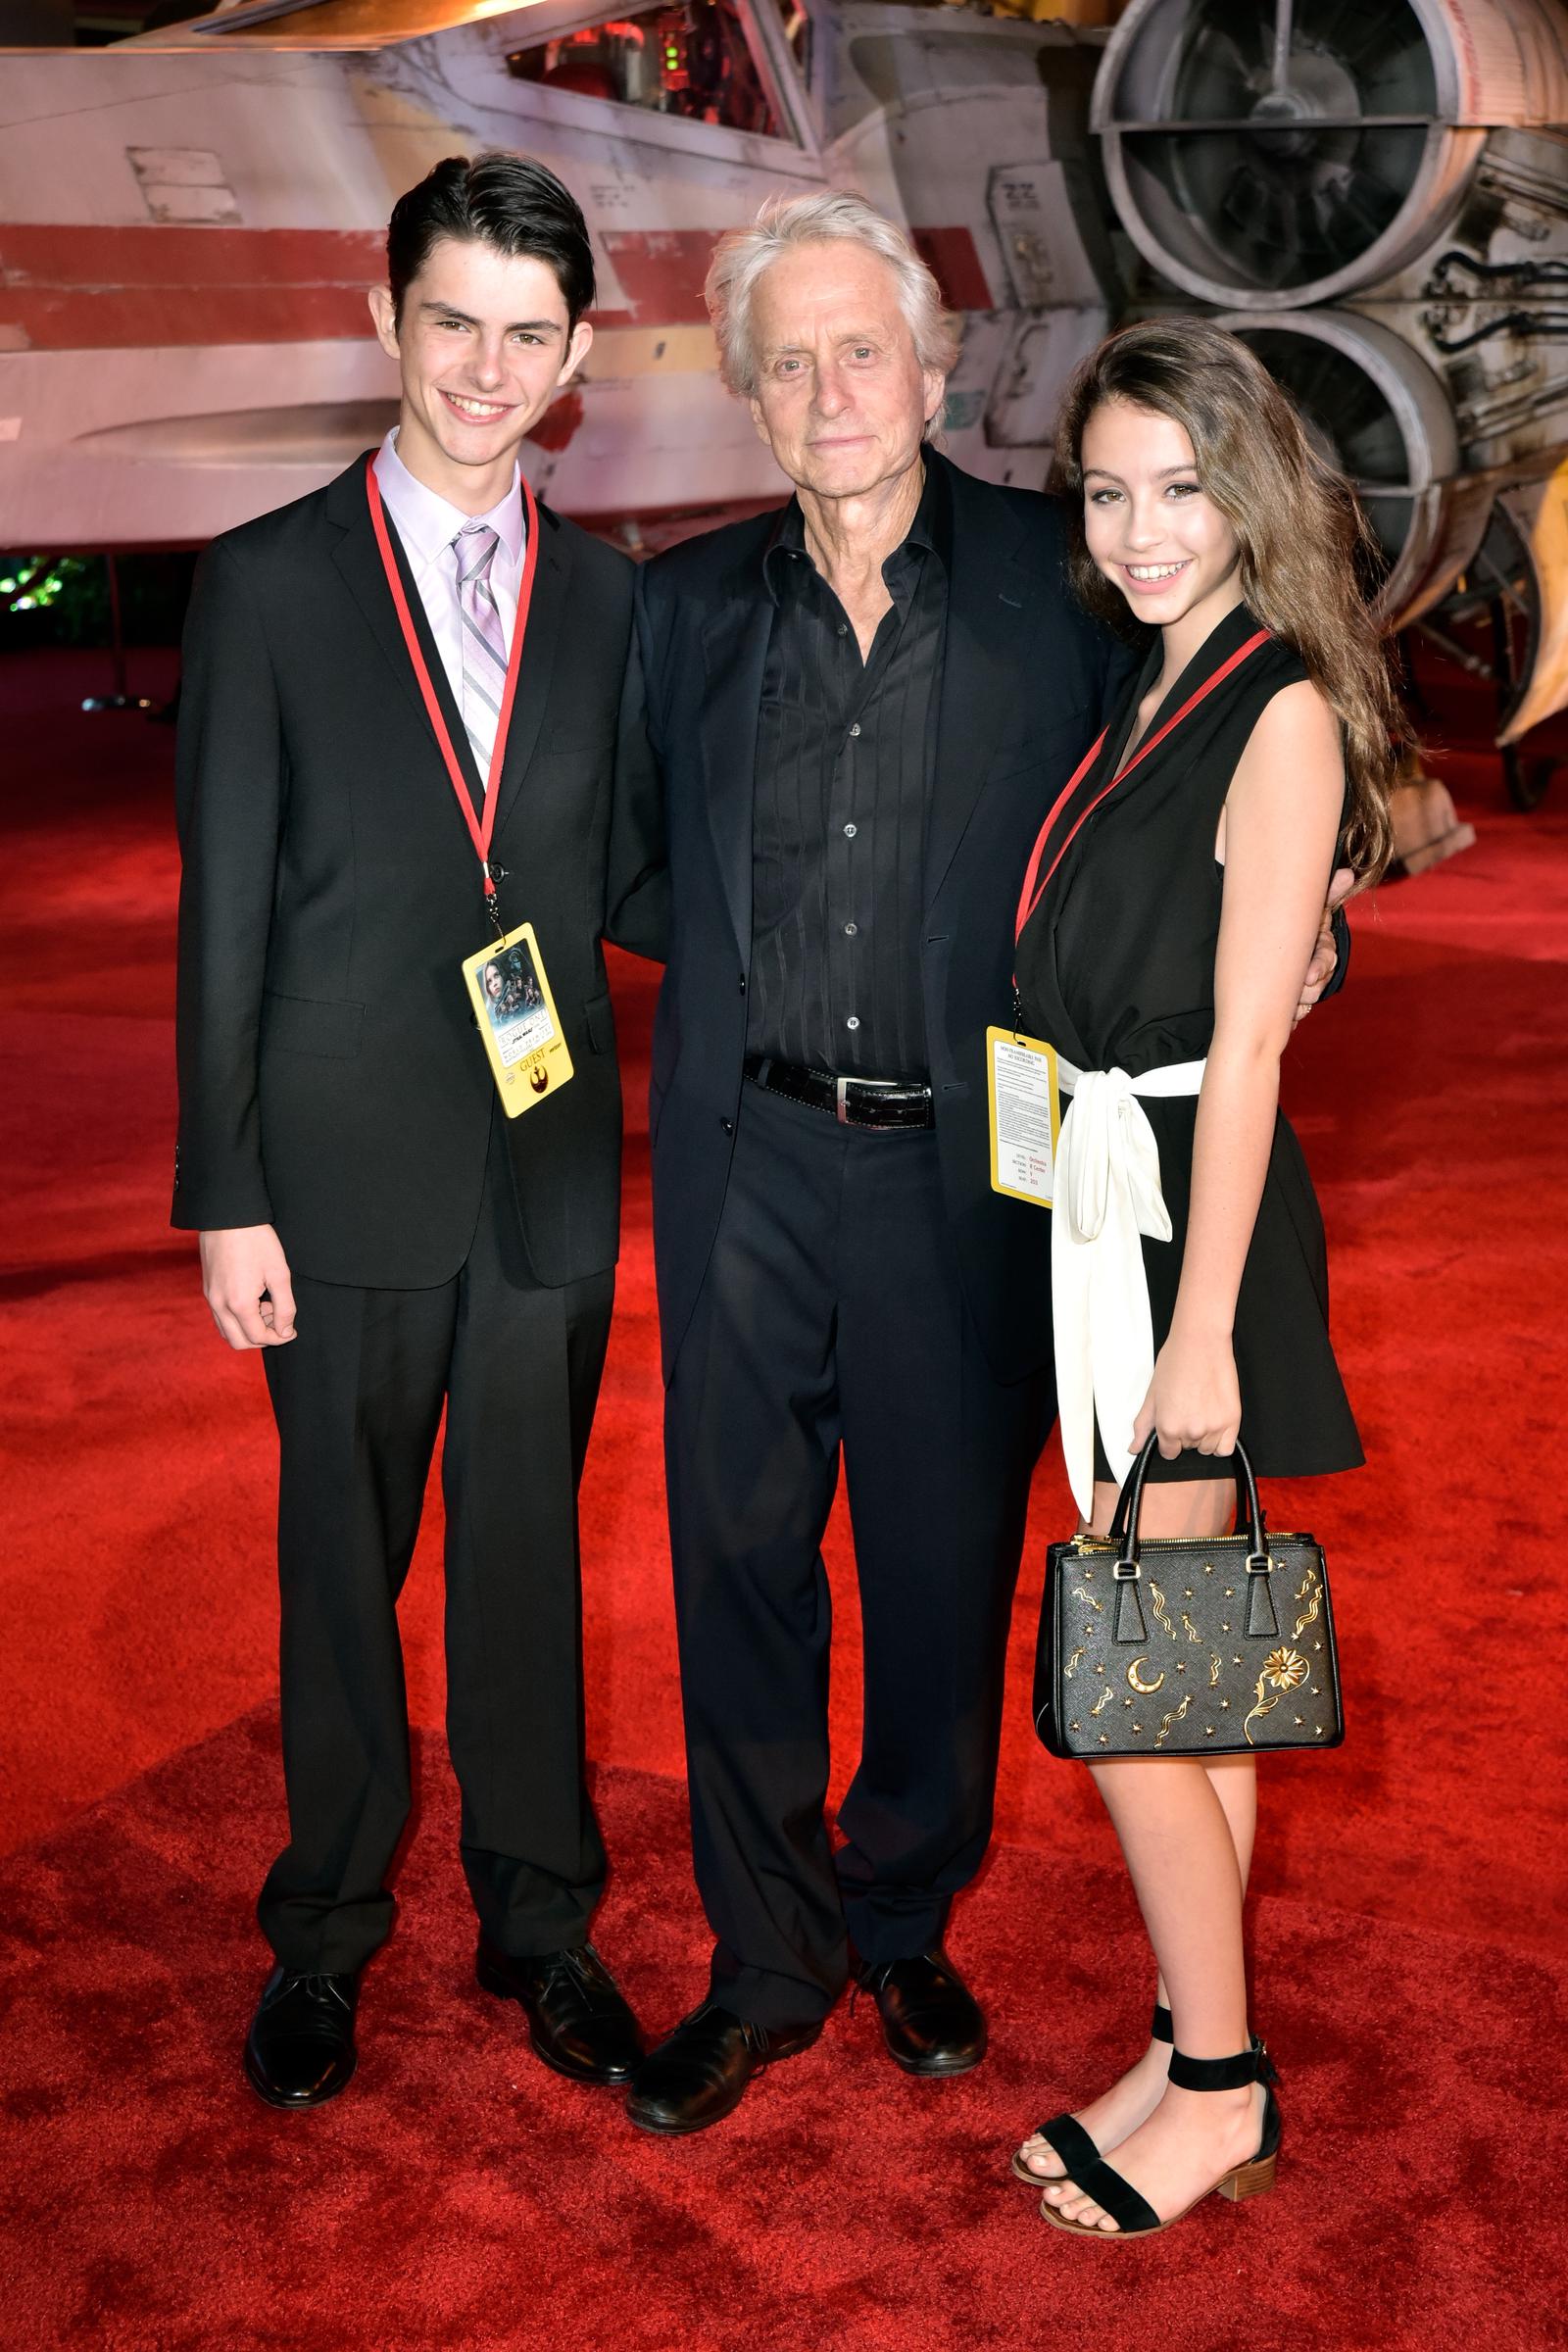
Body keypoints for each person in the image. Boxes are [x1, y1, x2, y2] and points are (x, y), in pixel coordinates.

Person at [622, 197, 1348, 2136]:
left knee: (941, 1568)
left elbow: (1194, 776)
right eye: (786, 358)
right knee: (738, 1565)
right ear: (744, 393)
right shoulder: (680, 613)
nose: (828, 390)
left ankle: (902, 1909)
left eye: (864, 350)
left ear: (937, 373)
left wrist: (1306, 912)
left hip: (973, 1176)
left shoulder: (1060, 578)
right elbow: (627, 872)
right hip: (740, 1162)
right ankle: (766, 1960)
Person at [173, 152, 663, 2110]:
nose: (483, 368)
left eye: (525, 334)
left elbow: (634, 873)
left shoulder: (611, 599)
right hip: (338, 1165)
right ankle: (325, 1934)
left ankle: (540, 1921)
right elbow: (222, 909)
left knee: (527, 1562)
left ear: (574, 356)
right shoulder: (273, 581)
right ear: (383, 320)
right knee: (339, 1569)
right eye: (449, 320)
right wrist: (225, 1196)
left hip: (543, 1168)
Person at [1008, 318, 1396, 2236]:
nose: (1140, 527)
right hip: (1113, 1197)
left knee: (1140, 1689)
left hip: (1189, 1231)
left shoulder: (1274, 709)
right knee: (1196, 1677)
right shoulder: (1146, 683)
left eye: (1176, 486)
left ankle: (1223, 2085)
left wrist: (1198, 1345)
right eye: (1105, 489)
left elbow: (1242, 1056)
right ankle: (1185, 2031)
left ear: (1244, 492)